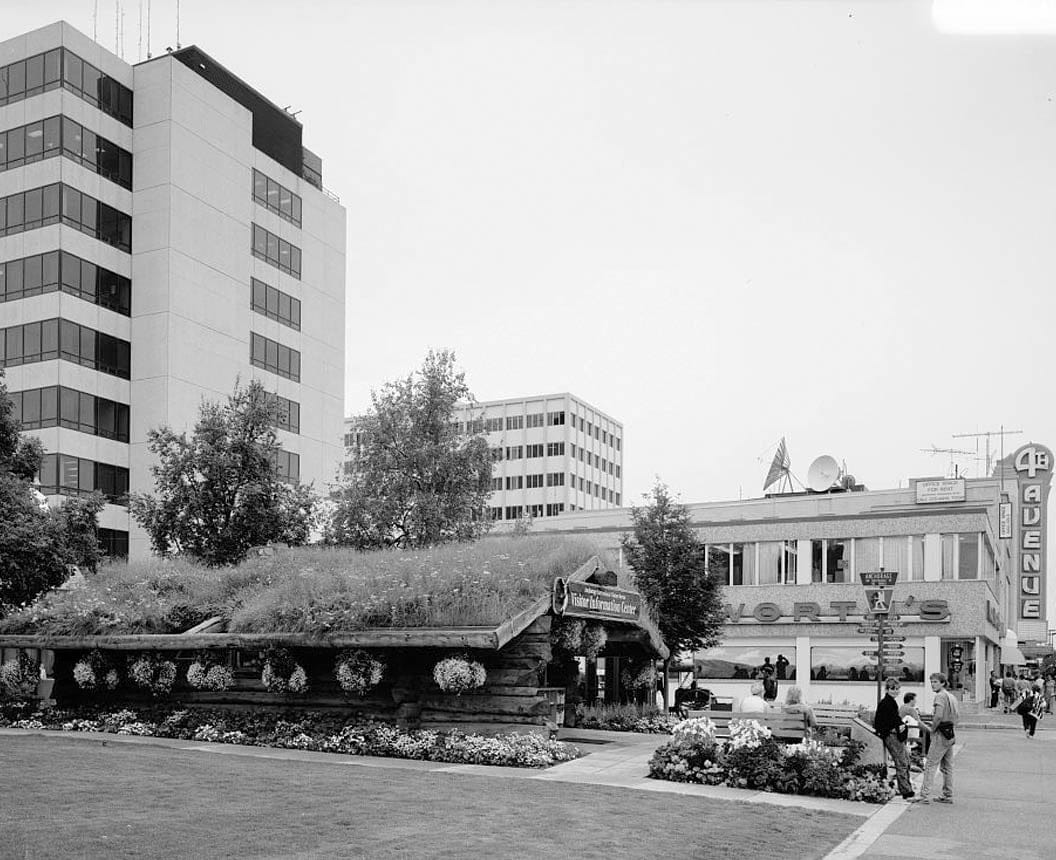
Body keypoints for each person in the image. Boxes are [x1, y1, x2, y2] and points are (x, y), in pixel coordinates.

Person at [911, 672, 958, 805]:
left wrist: (933, 729)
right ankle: (948, 794)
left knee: (931, 764)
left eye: (935, 682)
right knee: (948, 766)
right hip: (950, 732)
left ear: (942, 683)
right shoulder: (951, 697)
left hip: (940, 733)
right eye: (932, 681)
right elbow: (956, 715)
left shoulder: (940, 696)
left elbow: (938, 716)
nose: (932, 684)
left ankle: (924, 795)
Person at [874, 677, 914, 800]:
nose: (895, 691)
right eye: (893, 689)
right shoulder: (888, 702)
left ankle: (907, 788)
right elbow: (888, 721)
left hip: (891, 734)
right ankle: (906, 790)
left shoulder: (889, 702)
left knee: (904, 761)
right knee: (902, 762)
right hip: (891, 735)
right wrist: (899, 726)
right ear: (887, 689)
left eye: (897, 689)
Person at [899, 691, 929, 757]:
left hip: (904, 729)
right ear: (911, 700)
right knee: (928, 733)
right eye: (915, 700)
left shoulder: (902, 707)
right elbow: (919, 722)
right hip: (911, 730)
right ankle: (926, 752)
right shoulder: (911, 709)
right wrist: (929, 729)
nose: (916, 701)